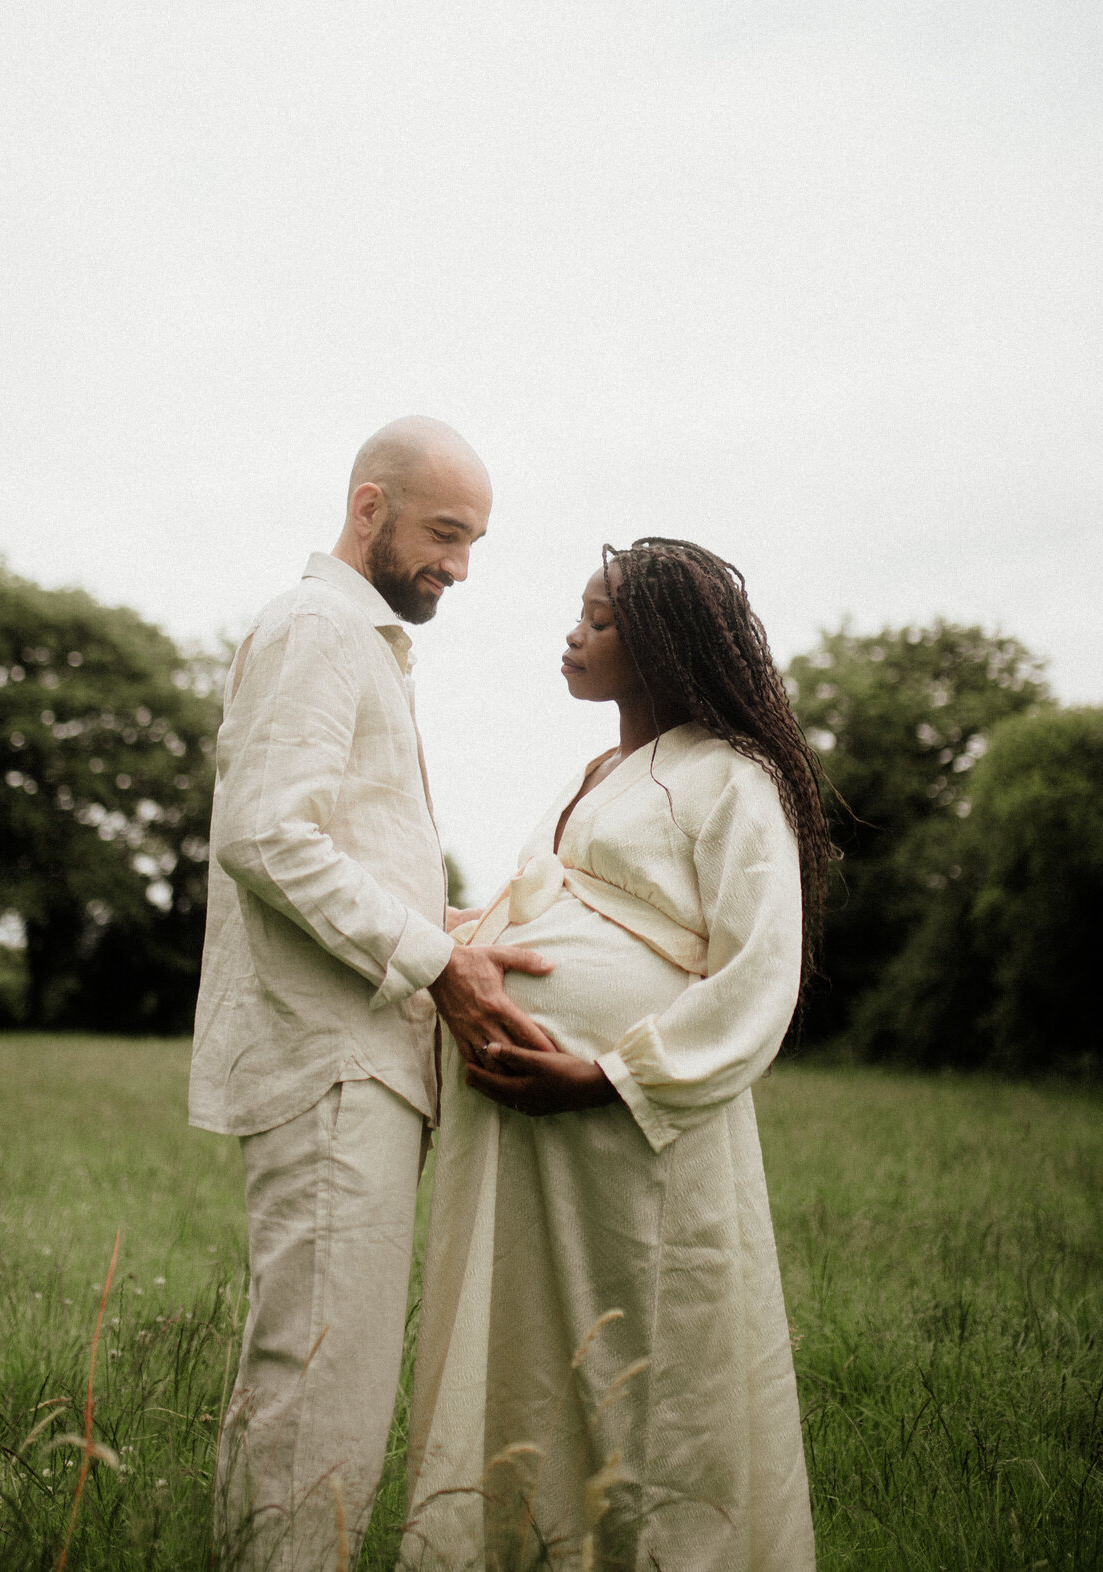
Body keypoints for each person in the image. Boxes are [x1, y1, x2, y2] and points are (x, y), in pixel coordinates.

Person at [403, 538, 830, 1571]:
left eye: (595, 620)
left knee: (641, 1353)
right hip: (533, 1129)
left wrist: (608, 1071)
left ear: (654, 647)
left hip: (634, 1130)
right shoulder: (602, 774)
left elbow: (760, 967)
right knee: (541, 1344)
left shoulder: (733, 777)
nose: (572, 633)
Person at [189, 416, 556, 1572]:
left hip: (358, 1058)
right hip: (333, 1060)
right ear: (368, 508)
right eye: (445, 533)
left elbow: (332, 846)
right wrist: (442, 963)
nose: (459, 565)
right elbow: (265, 835)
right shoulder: (320, 627)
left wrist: (458, 922)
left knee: (319, 1372)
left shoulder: (356, 638)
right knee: (320, 1381)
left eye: (475, 540)